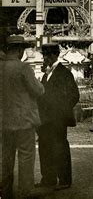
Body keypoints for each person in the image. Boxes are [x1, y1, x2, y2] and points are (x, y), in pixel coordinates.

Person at [2, 35, 44, 199]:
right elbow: (38, 90)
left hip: (3, 121)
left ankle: (5, 192)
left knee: (5, 158)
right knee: (26, 156)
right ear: (19, 50)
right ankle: (25, 192)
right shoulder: (23, 68)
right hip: (24, 121)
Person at [37, 42, 80, 191]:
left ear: (55, 55)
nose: (45, 58)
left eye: (48, 55)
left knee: (59, 148)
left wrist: (61, 110)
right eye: (44, 55)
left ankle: (64, 180)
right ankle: (48, 179)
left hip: (57, 119)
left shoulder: (64, 73)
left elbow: (74, 95)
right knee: (45, 147)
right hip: (45, 119)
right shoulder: (46, 74)